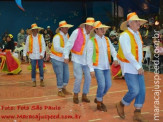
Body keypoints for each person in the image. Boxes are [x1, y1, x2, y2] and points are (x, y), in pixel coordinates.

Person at [116, 12, 148, 122]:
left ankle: (137, 113)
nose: (139, 23)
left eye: (139, 21)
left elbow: (138, 52)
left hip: (138, 66)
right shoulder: (124, 35)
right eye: (136, 21)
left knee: (142, 91)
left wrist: (140, 66)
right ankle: (121, 104)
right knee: (134, 90)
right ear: (129, 23)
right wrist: (137, 66)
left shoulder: (137, 34)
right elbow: (127, 53)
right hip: (130, 67)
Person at [87, 21, 118, 112]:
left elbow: (112, 50)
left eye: (103, 28)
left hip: (106, 66)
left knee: (108, 85)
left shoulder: (107, 39)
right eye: (101, 28)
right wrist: (91, 69)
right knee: (102, 84)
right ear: (95, 30)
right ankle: (99, 103)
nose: (103, 30)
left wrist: (115, 58)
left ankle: (98, 97)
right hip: (97, 67)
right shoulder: (91, 41)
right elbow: (88, 56)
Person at [63, 17, 95, 104]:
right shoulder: (77, 32)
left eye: (92, 26)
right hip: (77, 59)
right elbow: (69, 43)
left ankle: (84, 95)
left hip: (86, 60)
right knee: (79, 77)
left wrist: (92, 65)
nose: (91, 28)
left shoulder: (91, 36)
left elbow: (91, 50)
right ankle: (76, 94)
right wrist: (66, 55)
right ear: (86, 25)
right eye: (89, 26)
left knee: (88, 77)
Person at [51, 20, 73, 97]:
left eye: (67, 27)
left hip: (64, 58)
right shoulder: (56, 37)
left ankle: (64, 88)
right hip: (57, 59)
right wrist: (66, 50)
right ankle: (60, 90)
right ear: (61, 28)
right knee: (60, 74)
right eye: (65, 27)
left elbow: (69, 46)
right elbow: (57, 48)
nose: (67, 28)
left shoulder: (67, 36)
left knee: (66, 74)